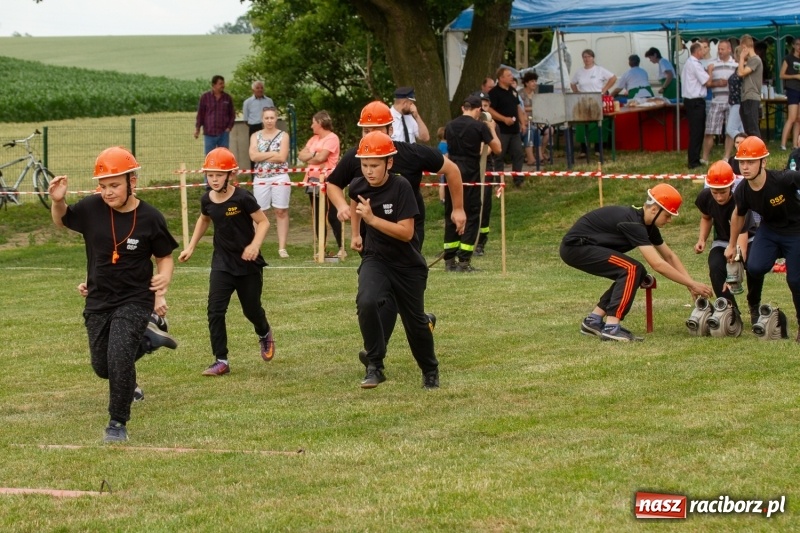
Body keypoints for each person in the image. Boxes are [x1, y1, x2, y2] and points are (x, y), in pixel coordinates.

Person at [48, 147, 178, 442]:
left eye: (115, 185)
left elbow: (165, 256)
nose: (108, 192)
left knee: (119, 357)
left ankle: (117, 424)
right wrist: (58, 202)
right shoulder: (92, 208)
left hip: (135, 299)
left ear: (132, 181)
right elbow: (62, 220)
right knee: (103, 366)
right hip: (98, 299)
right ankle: (147, 340)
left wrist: (164, 279)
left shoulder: (150, 218)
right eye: (103, 186)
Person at [325, 101, 463, 362]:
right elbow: (336, 185)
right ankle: (407, 331)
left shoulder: (411, 153)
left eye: (376, 130)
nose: (370, 136)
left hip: (406, 231)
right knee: (378, 292)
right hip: (372, 234)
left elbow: (452, 170)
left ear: (391, 129)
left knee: (394, 291)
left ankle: (376, 354)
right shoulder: (358, 156)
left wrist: (458, 209)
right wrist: (346, 214)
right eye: (365, 131)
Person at [560, 183, 713, 341]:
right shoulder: (634, 224)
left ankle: (593, 320)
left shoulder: (648, 226)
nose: (669, 220)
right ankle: (611, 327)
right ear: (654, 209)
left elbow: (669, 256)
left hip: (582, 247)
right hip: (575, 247)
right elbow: (657, 264)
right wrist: (692, 284)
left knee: (637, 271)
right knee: (632, 269)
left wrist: (690, 285)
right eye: (667, 215)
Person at [349, 131, 439, 390]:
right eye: (365, 165)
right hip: (376, 258)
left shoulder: (402, 187)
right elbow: (354, 200)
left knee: (415, 323)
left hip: (407, 264)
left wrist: (372, 220)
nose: (369, 171)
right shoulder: (357, 185)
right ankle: (374, 365)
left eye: (374, 165)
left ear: (389, 163)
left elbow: (406, 232)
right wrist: (356, 233)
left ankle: (430, 370)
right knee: (366, 301)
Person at [178, 148, 276, 376]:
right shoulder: (207, 199)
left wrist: (254, 245)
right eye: (210, 175)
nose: (214, 179)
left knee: (251, 310)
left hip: (248, 264)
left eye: (218, 175)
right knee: (215, 311)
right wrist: (190, 246)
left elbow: (263, 222)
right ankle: (221, 360)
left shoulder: (243, 198)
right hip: (222, 264)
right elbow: (204, 219)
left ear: (230, 175)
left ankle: (264, 332)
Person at [726, 136, 800, 340]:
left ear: (763, 162)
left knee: (795, 280)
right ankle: (754, 306)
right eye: (742, 162)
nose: (745, 167)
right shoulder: (742, 190)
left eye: (751, 162)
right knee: (755, 267)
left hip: (796, 231)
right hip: (769, 231)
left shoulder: (783, 179)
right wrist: (731, 245)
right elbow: (738, 215)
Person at [694, 160, 761, 321]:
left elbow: (742, 236)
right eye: (714, 192)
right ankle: (730, 310)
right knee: (715, 266)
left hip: (747, 238)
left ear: (731, 187)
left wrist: (735, 267)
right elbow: (706, 217)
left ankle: (754, 304)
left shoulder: (740, 201)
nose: (718, 196)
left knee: (754, 266)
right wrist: (702, 239)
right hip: (722, 241)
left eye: (722, 192)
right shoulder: (705, 197)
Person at [443, 95, 501, 272]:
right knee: (472, 214)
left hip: (451, 172)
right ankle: (464, 260)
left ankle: (449, 259)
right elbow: (497, 149)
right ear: (478, 110)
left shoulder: (450, 126)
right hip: (470, 174)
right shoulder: (479, 126)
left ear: (463, 108)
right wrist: (491, 129)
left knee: (452, 213)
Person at [297, 110, 342, 258]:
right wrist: (314, 156)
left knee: (332, 214)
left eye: (313, 123)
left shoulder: (332, 138)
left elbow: (321, 157)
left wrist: (313, 157)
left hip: (328, 180)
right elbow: (301, 155)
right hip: (312, 179)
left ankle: (341, 247)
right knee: (317, 215)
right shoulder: (314, 138)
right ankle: (322, 248)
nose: (311, 126)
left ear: (320, 123)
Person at [249, 106, 291, 258]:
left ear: (276, 118)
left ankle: (282, 247)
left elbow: (282, 157)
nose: (269, 121)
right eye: (266, 118)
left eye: (272, 117)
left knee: (281, 211)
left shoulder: (283, 135)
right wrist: (273, 153)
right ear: (262, 119)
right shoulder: (255, 136)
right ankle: (255, 246)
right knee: (259, 212)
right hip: (261, 177)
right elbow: (253, 156)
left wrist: (263, 155)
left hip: (280, 176)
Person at [570, 49, 616, 157]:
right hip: (583, 100)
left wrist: (604, 89)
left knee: (597, 123)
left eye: (589, 57)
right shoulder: (579, 71)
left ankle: (598, 148)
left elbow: (613, 78)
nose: (587, 59)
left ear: (593, 58)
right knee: (582, 124)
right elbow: (572, 83)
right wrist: (576, 92)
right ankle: (583, 149)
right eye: (585, 57)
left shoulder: (599, 70)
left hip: (597, 99)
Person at [488, 67, 526, 186]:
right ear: (501, 78)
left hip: (514, 130)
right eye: (508, 75)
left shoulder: (513, 91)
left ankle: (518, 180)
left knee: (518, 154)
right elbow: (489, 109)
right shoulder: (494, 93)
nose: (511, 77)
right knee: (499, 156)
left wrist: (523, 123)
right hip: (501, 130)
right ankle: (499, 181)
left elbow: (517, 107)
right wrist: (504, 119)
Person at [701, 40, 737, 163]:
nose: (720, 51)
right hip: (716, 101)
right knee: (709, 130)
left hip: (731, 102)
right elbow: (707, 83)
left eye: (722, 49)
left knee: (729, 131)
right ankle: (705, 157)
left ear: (729, 50)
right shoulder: (712, 64)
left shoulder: (736, 65)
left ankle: (726, 157)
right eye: (719, 49)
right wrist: (717, 83)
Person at [682, 42, 711, 169]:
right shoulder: (695, 64)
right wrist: (710, 71)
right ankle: (693, 161)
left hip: (690, 101)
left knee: (695, 130)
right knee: (697, 131)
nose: (704, 52)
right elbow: (706, 81)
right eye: (702, 50)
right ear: (697, 51)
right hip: (696, 101)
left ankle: (694, 157)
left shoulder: (689, 63)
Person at [194, 75, 235, 155]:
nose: (223, 85)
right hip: (209, 133)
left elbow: (232, 114)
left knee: (224, 156)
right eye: (220, 83)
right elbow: (200, 114)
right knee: (209, 156)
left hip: (223, 133)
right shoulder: (205, 97)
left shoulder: (227, 98)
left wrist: (229, 127)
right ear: (214, 85)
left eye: (223, 83)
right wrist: (197, 128)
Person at [242, 80, 275, 169]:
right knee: (254, 151)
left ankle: (268, 171)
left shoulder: (269, 101)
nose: (260, 90)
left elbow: (273, 114)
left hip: (268, 127)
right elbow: (246, 119)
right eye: (257, 88)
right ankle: (255, 173)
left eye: (261, 88)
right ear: (253, 90)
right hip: (254, 128)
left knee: (268, 149)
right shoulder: (247, 102)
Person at [737, 34, 763, 138]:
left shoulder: (755, 59)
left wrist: (741, 58)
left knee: (753, 128)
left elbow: (741, 73)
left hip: (751, 96)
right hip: (745, 97)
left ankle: (759, 147)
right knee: (748, 129)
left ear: (744, 47)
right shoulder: (750, 61)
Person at [779, 38, 800, 151]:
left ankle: (795, 144)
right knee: (792, 117)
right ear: (793, 45)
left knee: (798, 119)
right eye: (797, 44)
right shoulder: (789, 58)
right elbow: (781, 75)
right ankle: (783, 144)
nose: (799, 47)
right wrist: (795, 76)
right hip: (792, 89)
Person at [725, 46, 746, 153]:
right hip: (733, 101)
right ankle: (745, 149)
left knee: (731, 129)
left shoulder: (743, 68)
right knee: (741, 128)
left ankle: (746, 143)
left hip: (738, 101)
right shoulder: (738, 68)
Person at [436, 126, 447, 204]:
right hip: (445, 166)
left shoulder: (440, 145)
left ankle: (442, 198)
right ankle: (442, 199)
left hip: (440, 166)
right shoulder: (445, 145)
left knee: (442, 183)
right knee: (443, 183)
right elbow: (446, 155)